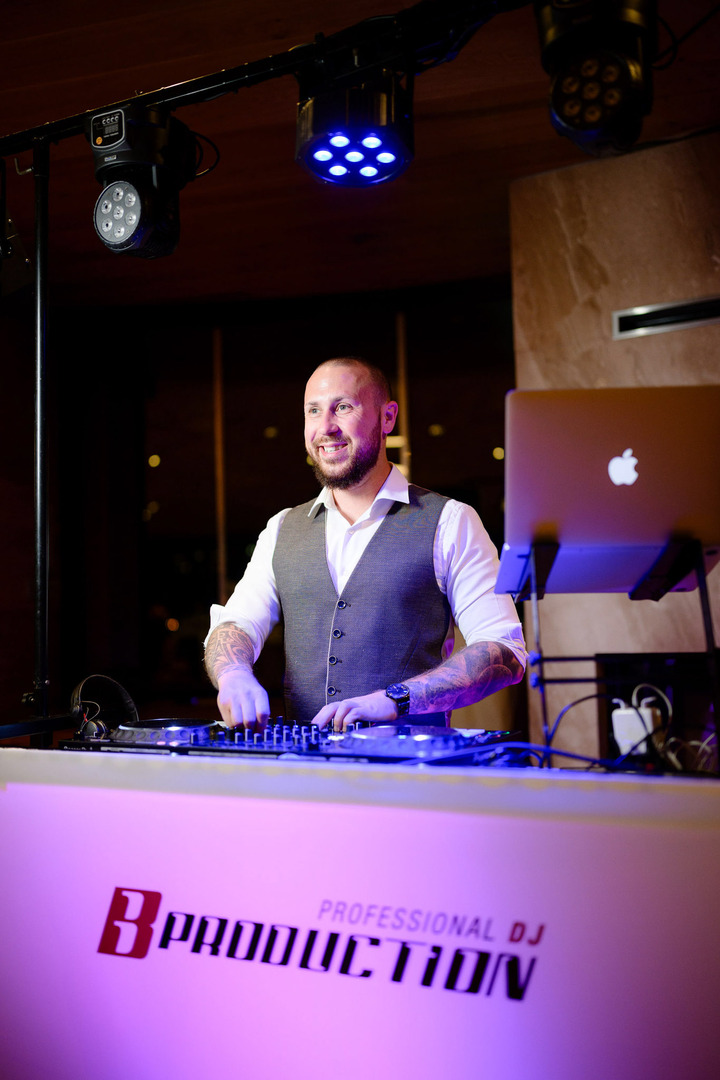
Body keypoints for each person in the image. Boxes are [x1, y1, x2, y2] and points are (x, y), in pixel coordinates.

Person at [204, 356, 526, 731]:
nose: (326, 427)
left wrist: (395, 699)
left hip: (413, 773)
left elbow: (504, 651)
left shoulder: (452, 521)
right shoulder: (281, 529)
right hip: (304, 775)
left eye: (343, 407)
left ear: (387, 418)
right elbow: (235, 625)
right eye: (313, 410)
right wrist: (233, 675)